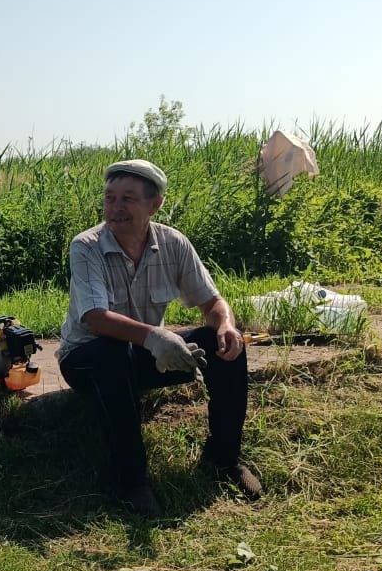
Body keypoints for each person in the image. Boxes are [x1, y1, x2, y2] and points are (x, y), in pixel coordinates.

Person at [58, 158, 261, 518]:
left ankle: (224, 458)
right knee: (111, 353)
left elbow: (212, 301)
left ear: (155, 204)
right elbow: (95, 318)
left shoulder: (173, 244)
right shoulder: (86, 246)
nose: (115, 208)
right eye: (110, 198)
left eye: (127, 199)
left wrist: (226, 325)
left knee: (226, 344)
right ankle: (131, 481)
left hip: (148, 353)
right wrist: (156, 337)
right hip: (88, 360)